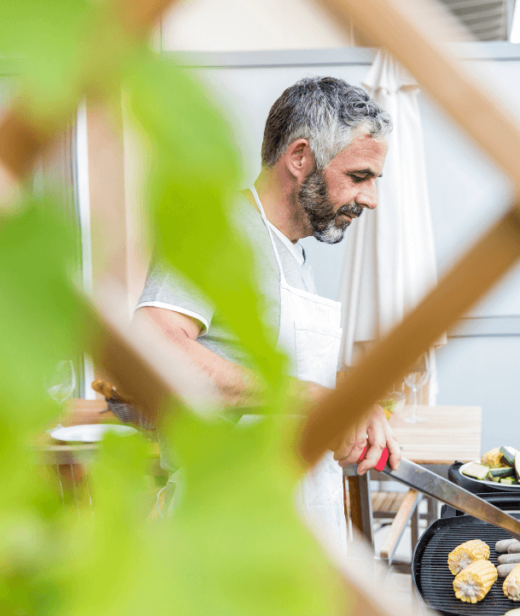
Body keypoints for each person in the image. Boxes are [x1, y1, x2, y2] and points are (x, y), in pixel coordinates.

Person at [134, 76, 403, 545]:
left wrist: (352, 407)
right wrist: (319, 401)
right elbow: (153, 346)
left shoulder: (293, 252)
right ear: (300, 157)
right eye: (359, 177)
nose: (371, 199)